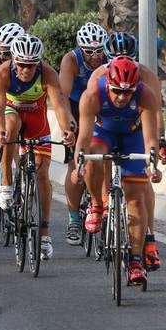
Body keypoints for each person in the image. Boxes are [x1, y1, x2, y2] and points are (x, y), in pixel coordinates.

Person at [75, 56, 163, 287]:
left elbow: (150, 139)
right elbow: (83, 139)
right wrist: (79, 165)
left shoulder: (146, 95)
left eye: (128, 92)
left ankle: (135, 261)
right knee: (93, 155)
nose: (123, 97)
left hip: (132, 137)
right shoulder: (93, 94)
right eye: (117, 92)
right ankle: (96, 204)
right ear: (109, 83)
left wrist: (153, 166)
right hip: (103, 133)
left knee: (136, 196)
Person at [0, 34, 74, 261]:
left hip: (37, 119)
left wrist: (67, 129)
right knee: (10, 125)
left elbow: (58, 105)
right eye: (22, 65)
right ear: (14, 61)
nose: (26, 70)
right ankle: (6, 180)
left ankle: (45, 234)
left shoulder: (47, 73)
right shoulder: (1, 74)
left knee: (42, 174)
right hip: (11, 113)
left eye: (31, 65)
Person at [58, 22, 110, 245]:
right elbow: (62, 97)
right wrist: (68, 125)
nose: (96, 56)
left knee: (106, 157)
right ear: (81, 49)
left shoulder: (110, 58)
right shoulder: (72, 60)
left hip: (102, 108)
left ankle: (106, 205)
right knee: (76, 165)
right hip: (76, 108)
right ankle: (73, 219)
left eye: (100, 50)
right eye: (90, 52)